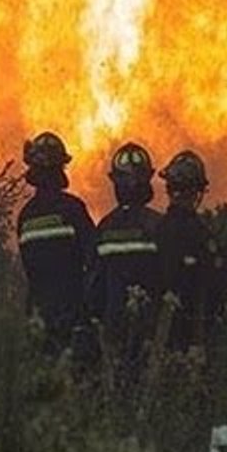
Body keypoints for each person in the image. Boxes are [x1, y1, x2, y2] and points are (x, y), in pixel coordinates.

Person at [88, 142, 164, 379]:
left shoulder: (104, 228)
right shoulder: (159, 226)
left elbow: (93, 287)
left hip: (114, 332)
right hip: (152, 333)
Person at [16, 132, 96, 355]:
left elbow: (28, 267)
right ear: (60, 169)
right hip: (73, 318)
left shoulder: (26, 215)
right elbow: (93, 258)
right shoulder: (72, 209)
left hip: (38, 319)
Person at [157, 150, 227, 352]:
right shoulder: (201, 235)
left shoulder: (156, 230)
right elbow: (217, 285)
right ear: (197, 191)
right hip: (193, 335)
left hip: (158, 338)